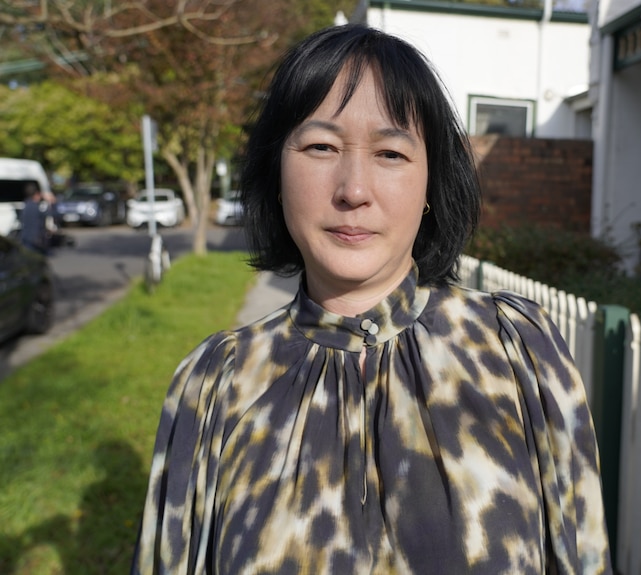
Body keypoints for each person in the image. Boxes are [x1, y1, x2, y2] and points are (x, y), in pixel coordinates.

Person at [132, 24, 611, 574]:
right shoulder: (215, 385)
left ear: (430, 182)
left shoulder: (517, 351)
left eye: (389, 152)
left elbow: (583, 555)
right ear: (277, 172)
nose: (353, 190)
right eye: (321, 147)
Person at [19, 183, 50, 254]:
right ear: (36, 194)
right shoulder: (36, 207)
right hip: (35, 240)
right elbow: (52, 214)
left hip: (26, 238)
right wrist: (52, 202)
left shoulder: (25, 205)